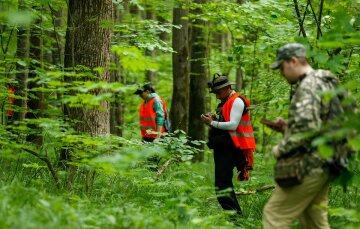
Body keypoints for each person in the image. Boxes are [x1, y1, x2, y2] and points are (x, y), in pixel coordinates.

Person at [263, 43, 336, 228]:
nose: (281, 72)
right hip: (328, 161)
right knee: (314, 220)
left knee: (274, 216)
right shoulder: (324, 81)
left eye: (281, 67)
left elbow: (306, 130)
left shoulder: (308, 86)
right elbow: (320, 125)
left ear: (293, 61)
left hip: (309, 164)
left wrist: (280, 149)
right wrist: (289, 127)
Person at [201, 74, 256, 217]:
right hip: (223, 147)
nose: (217, 96)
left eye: (218, 92)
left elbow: (233, 125)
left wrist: (211, 123)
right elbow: (225, 122)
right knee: (222, 185)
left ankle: (236, 219)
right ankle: (235, 217)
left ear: (227, 88)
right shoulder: (226, 101)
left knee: (222, 186)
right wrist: (213, 118)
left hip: (233, 148)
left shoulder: (237, 101)